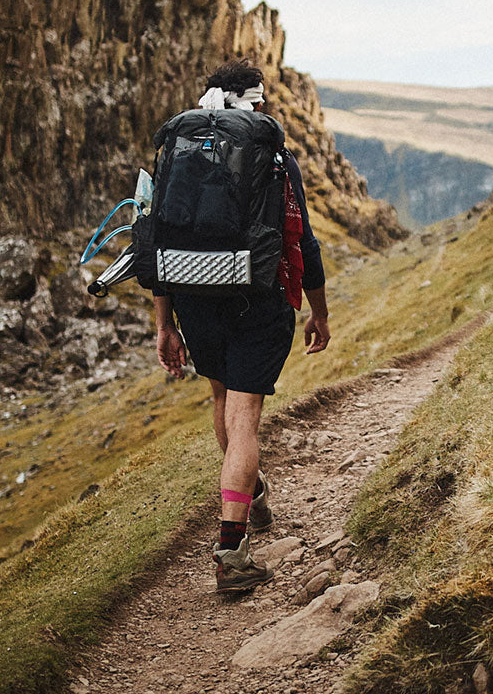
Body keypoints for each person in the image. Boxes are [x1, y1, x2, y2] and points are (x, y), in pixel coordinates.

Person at [151, 59, 331, 593]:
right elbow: (304, 242)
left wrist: (166, 324)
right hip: (259, 298)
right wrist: (318, 311)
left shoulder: (178, 150)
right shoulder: (276, 158)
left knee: (220, 399)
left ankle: (247, 496)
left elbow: (157, 238)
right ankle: (231, 552)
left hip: (192, 297)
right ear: (255, 101)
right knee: (245, 417)